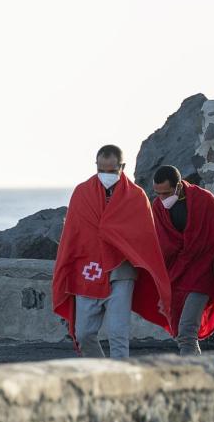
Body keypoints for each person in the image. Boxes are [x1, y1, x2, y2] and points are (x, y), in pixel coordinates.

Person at [52, 145, 172, 357]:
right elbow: (72, 234)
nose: (106, 175)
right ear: (96, 166)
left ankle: (121, 383)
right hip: (88, 270)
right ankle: (101, 371)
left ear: (122, 167)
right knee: (83, 334)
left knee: (118, 335)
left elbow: (145, 239)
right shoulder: (82, 193)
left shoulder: (136, 196)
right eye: (102, 170)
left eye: (111, 171)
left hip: (121, 273)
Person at [151, 165, 214, 355]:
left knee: (186, 333)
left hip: (203, 272)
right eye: (158, 194)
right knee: (183, 335)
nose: (162, 199)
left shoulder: (204, 200)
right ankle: (200, 374)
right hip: (177, 274)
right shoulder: (158, 207)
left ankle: (190, 379)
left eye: (166, 193)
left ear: (178, 186)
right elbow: (160, 243)